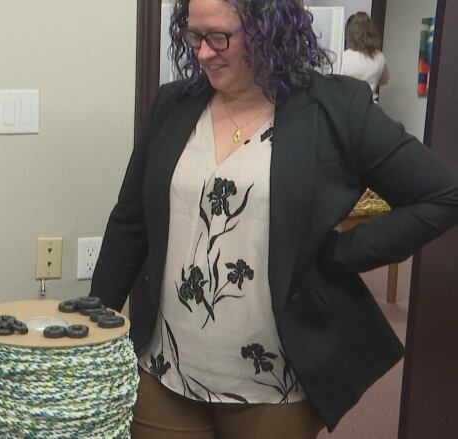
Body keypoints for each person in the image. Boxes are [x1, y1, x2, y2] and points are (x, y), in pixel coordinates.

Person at [88, 0, 458, 438]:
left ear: (268, 28)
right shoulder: (173, 105)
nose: (203, 53)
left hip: (274, 382)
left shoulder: (334, 108)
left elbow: (441, 195)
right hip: (164, 367)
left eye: (219, 37)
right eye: (194, 37)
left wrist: (340, 254)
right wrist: (94, 326)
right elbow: (131, 221)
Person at [341, 12, 390, 102]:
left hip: (347, 108)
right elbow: (384, 81)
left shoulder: (343, 57)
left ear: (350, 34)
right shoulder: (380, 57)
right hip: (370, 108)